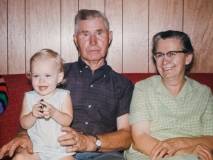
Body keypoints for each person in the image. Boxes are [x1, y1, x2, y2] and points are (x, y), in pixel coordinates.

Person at [0, 9, 134, 160]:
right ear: (76, 39)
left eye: (99, 33)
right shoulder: (53, 74)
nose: (93, 41)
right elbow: (30, 113)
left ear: (109, 37)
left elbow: (126, 135)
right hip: (50, 150)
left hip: (101, 154)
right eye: (85, 34)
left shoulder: (122, 85)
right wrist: (22, 135)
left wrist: (90, 142)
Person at [124, 30, 213, 160]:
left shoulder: (203, 93)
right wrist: (184, 151)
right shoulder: (143, 88)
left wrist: (179, 143)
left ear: (188, 58)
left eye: (171, 54)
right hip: (149, 155)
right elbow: (140, 139)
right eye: (159, 55)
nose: (164, 61)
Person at [14, 49, 75, 160]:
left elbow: (68, 120)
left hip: (60, 150)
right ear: (31, 76)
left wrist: (54, 112)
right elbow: (24, 124)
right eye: (36, 76)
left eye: (47, 75)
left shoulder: (64, 96)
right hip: (36, 149)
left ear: (59, 77)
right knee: (19, 158)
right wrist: (32, 115)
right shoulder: (29, 97)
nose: (41, 80)